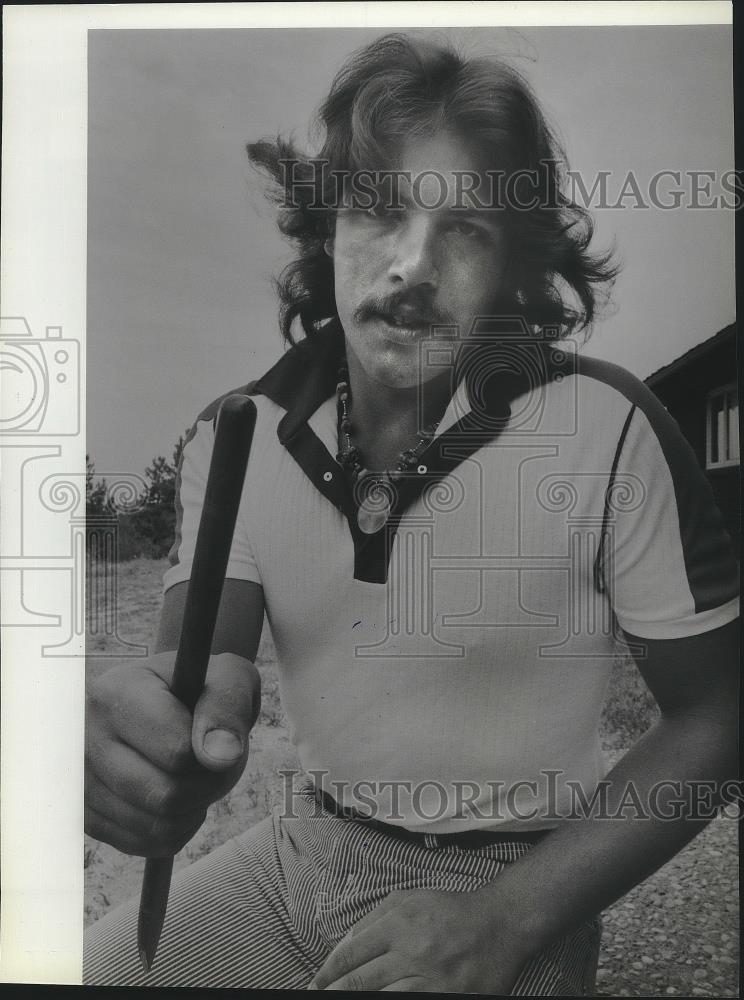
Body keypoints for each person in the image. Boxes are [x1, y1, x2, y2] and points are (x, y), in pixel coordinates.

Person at [84, 33, 739, 992]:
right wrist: (157, 740)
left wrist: (509, 919)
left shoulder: (609, 429)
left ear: (515, 265)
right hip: (295, 849)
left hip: (513, 883)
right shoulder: (240, 435)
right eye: (379, 210)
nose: (413, 264)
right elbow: (206, 673)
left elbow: (720, 712)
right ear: (328, 230)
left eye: (466, 229)